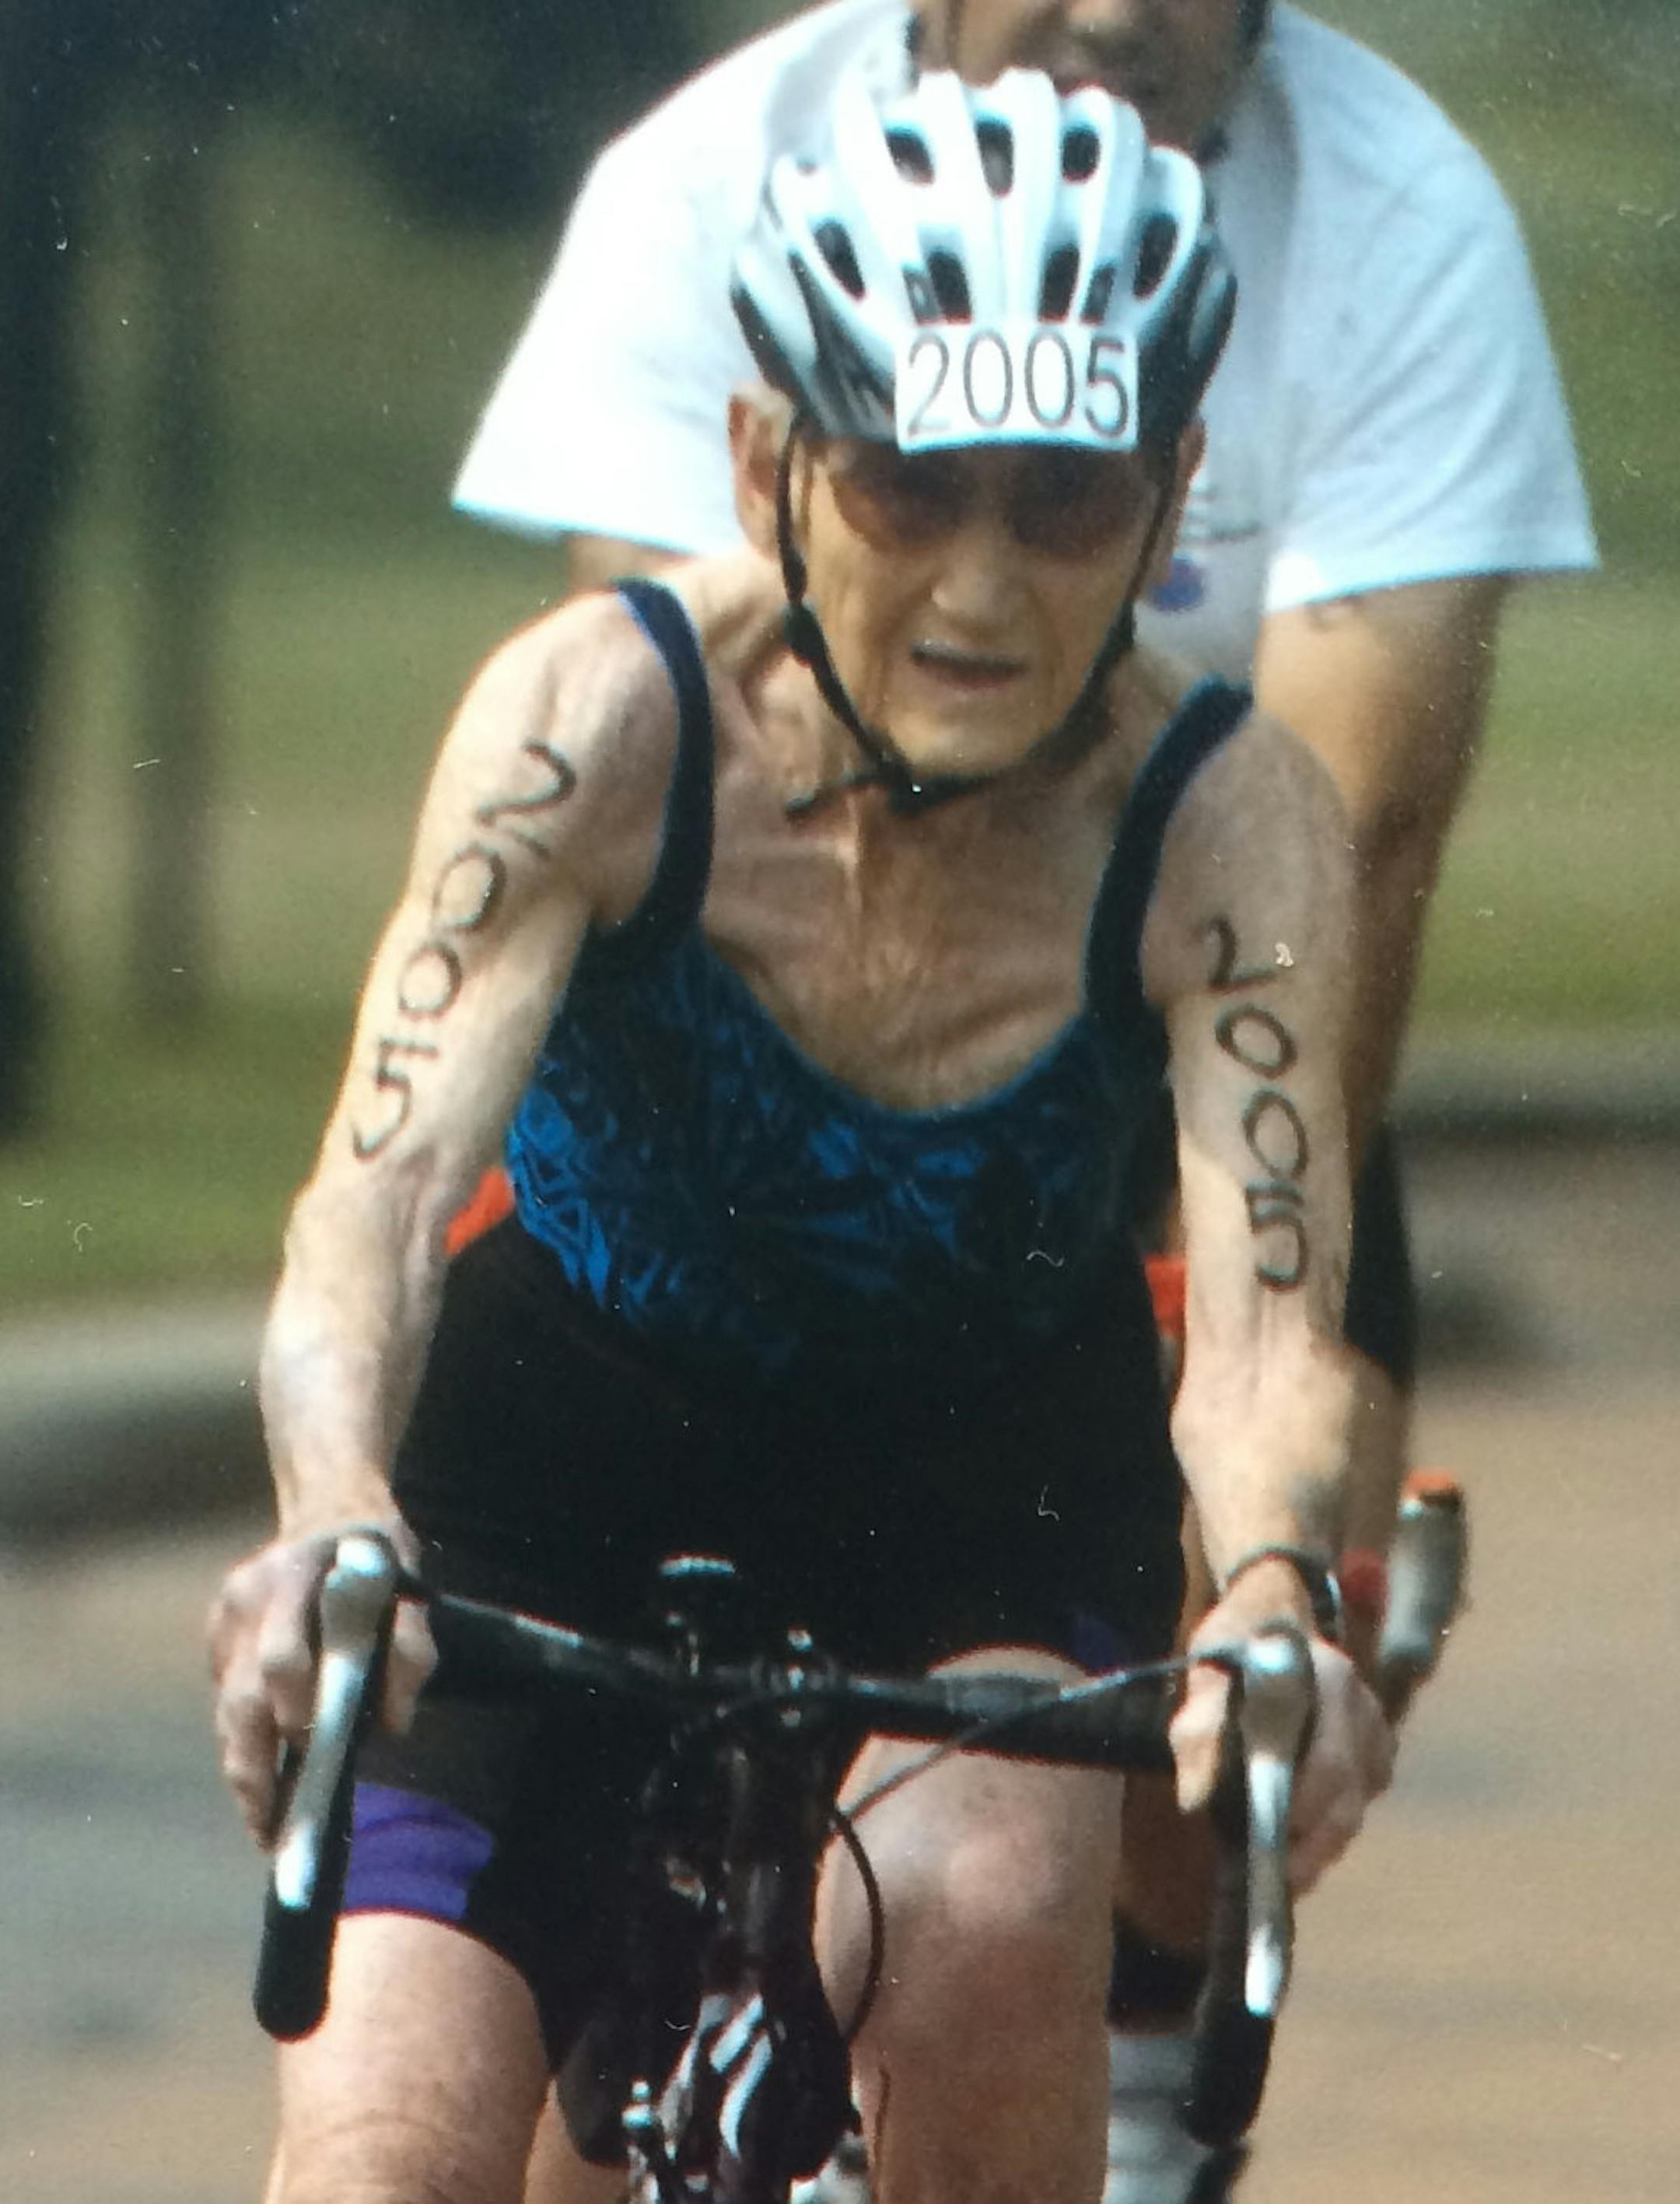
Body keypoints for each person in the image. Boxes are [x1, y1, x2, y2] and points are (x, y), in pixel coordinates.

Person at [209, 70, 1392, 2204]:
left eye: (1064, 502)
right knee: (389, 2151)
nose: (981, 585)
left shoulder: (1229, 820)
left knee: (994, 1923)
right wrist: (326, 1506)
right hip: (539, 1479)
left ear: (1175, 488)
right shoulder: (598, 722)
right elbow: (371, 1209)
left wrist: (1278, 1595)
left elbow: (1265, 1332)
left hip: (988, 1505)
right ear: (770, 463)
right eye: (909, 487)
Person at [454, 0, 1595, 1567]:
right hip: (737, 1088)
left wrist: (1226, 1339)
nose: (1115, 11)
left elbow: (1355, 821)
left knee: (1228, 1692)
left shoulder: (1405, 225)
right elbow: (687, 753)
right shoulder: (703, 184)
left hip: (1183, 1059)